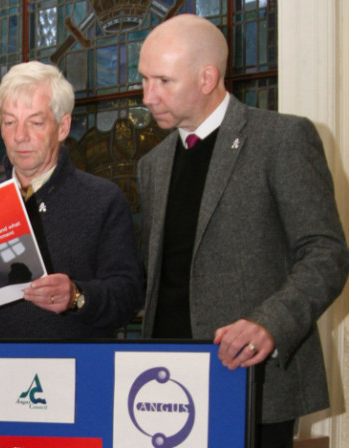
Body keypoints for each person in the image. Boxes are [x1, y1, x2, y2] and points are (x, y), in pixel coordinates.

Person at [137, 14, 349, 448]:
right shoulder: (151, 165)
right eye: (143, 79)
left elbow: (326, 253)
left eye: (162, 81)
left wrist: (269, 324)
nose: (147, 96)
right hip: (164, 385)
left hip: (254, 379)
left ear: (207, 77)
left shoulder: (282, 138)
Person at [0, 61, 144, 339]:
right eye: (9, 122)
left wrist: (77, 296)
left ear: (63, 127)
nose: (19, 136)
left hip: (72, 369)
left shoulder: (103, 199)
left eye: (35, 122)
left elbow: (129, 295)